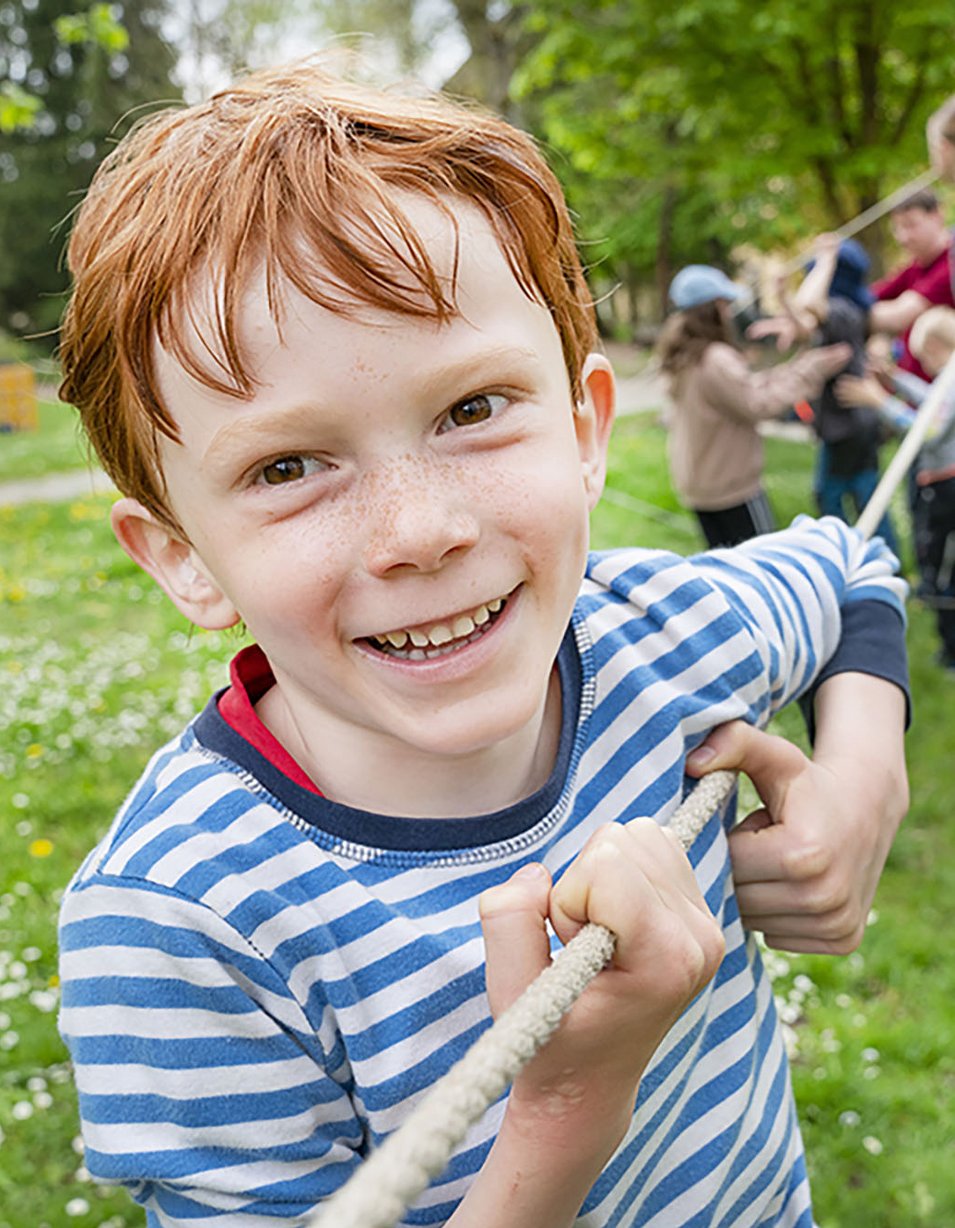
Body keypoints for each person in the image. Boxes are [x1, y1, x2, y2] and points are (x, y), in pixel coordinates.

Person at [56, 63, 910, 1227]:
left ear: (584, 430)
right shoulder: (182, 919)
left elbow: (853, 569)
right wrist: (565, 1109)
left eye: (471, 409)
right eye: (287, 467)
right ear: (182, 557)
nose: (420, 532)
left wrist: (860, 787)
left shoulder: (660, 633)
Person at [657, 264, 851, 547]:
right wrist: (811, 370)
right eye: (724, 305)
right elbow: (758, 403)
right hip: (731, 488)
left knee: (724, 564)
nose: (729, 313)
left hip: (701, 485)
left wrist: (794, 368)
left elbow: (742, 390)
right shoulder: (715, 358)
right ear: (711, 309)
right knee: (760, 563)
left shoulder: (684, 356)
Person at [748, 235, 898, 552]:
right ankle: (880, 555)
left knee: (833, 494)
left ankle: (844, 553)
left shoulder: (842, 310)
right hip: (856, 423)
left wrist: (826, 259)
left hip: (847, 423)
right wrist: (782, 299)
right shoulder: (851, 310)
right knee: (864, 490)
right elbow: (806, 322)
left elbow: (811, 307)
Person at [838, 305, 955, 672]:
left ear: (937, 347)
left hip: (947, 488)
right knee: (935, 558)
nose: (927, 367)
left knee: (942, 564)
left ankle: (951, 647)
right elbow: (932, 397)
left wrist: (881, 401)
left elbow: (931, 430)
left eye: (926, 359)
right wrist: (896, 379)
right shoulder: (948, 378)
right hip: (939, 484)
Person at [869, 189, 954, 381]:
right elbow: (870, 297)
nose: (903, 237)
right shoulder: (915, 267)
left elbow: (897, 316)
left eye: (911, 225)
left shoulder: (949, 267)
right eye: (897, 228)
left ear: (937, 216)